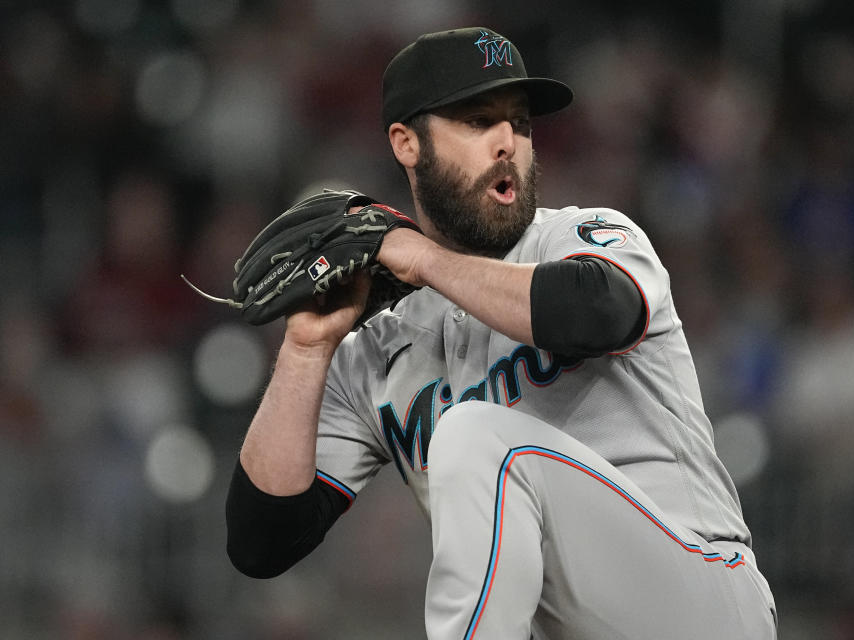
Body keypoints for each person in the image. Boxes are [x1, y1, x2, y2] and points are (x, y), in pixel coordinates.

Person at [224, 26, 778, 639]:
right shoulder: (376, 352)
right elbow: (261, 543)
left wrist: (420, 258)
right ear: (407, 143)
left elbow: (597, 310)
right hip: (571, 625)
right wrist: (306, 351)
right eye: (478, 120)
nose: (507, 142)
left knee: (475, 436)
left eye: (520, 123)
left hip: (696, 593)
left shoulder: (578, 236)